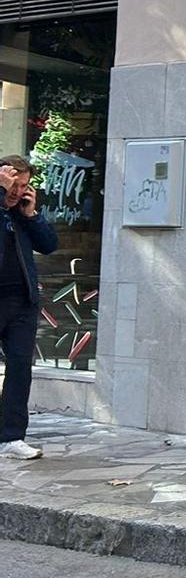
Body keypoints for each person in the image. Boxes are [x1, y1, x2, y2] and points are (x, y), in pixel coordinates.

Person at [0, 154, 60, 461]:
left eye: (23, 185)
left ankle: (12, 437)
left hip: (22, 302)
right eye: (12, 184)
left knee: (20, 368)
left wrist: (32, 213)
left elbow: (49, 245)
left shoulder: (21, 214)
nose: (17, 191)